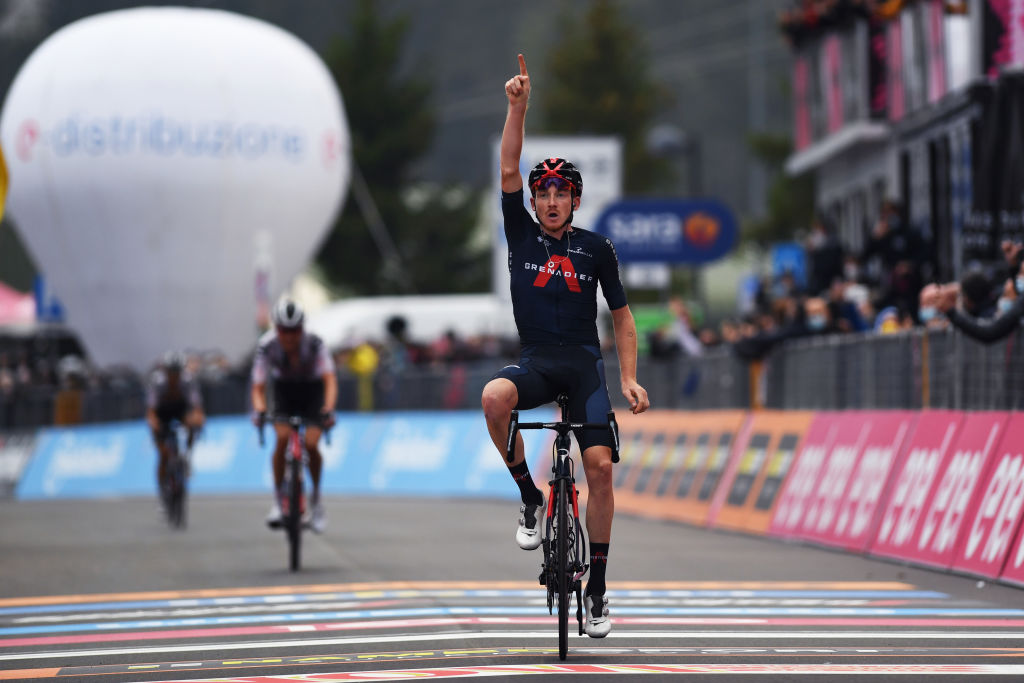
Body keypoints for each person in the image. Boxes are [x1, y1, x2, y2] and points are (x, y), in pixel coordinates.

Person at [480, 54, 650, 639]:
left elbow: (623, 319)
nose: (551, 199)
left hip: (583, 369)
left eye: (562, 191)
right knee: (493, 398)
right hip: (536, 363)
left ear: (575, 200)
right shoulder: (519, 232)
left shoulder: (597, 249)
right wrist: (517, 106)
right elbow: (508, 161)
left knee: (598, 470)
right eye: (542, 191)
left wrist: (628, 378)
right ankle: (531, 497)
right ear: (532, 201)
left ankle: (597, 588)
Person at [251, 298, 337, 534]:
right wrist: (259, 409)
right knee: (281, 439)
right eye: (283, 331)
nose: (289, 336)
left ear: (302, 328)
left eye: (294, 330)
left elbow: (329, 379)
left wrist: (328, 407)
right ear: (276, 329)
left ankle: (316, 501)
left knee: (311, 444)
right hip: (283, 391)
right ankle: (279, 502)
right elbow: (258, 386)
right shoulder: (267, 345)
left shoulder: (315, 343)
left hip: (312, 391)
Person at [146, 351, 205, 509]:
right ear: (165, 371)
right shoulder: (157, 382)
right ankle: (162, 491)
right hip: (162, 413)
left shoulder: (188, 380)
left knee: (193, 423)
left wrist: (197, 419)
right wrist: (154, 424)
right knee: (163, 454)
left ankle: (187, 456)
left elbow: (196, 407)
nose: (174, 376)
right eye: (171, 372)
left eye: (177, 372)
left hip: (180, 410)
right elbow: (151, 412)